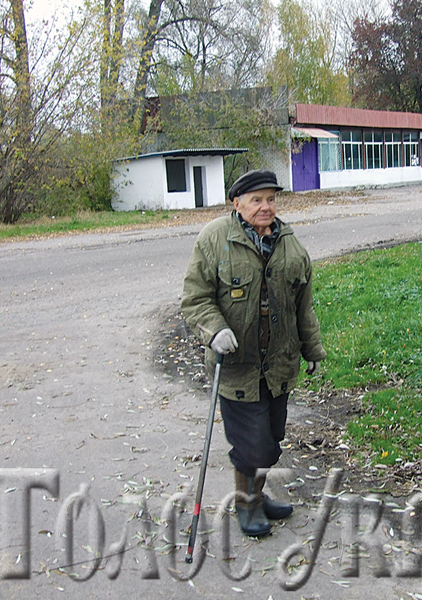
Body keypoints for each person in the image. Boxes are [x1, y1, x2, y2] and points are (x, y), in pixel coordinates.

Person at [181, 169, 326, 537]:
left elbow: (303, 304)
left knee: (271, 440)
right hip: (237, 367)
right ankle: (246, 505)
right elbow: (195, 298)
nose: (266, 207)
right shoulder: (215, 238)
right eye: (257, 200)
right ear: (237, 203)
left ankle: (258, 496)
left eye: (271, 199)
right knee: (251, 445)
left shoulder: (289, 243)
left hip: (277, 366)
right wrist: (215, 330)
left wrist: (312, 348)